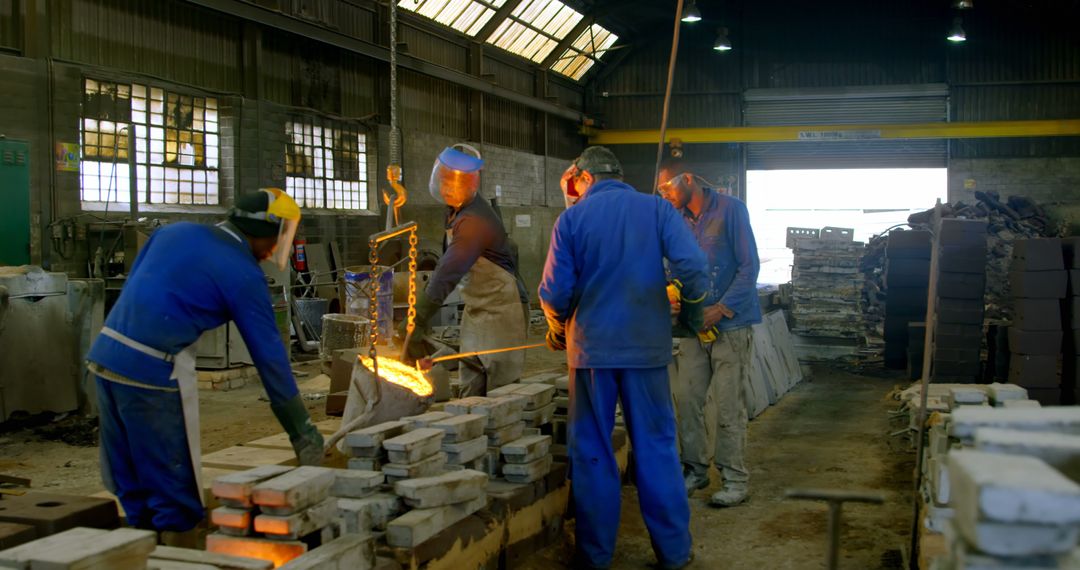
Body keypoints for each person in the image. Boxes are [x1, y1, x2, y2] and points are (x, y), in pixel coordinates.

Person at [86, 188, 324, 545]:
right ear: (263, 232)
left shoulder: (173, 232)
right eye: (277, 239)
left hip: (104, 358)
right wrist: (302, 430)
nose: (275, 249)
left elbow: (138, 286)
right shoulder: (243, 274)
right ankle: (179, 553)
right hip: (154, 370)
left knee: (132, 477)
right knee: (174, 486)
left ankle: (137, 549)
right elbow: (270, 359)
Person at [539, 146, 709, 569]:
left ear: (582, 177)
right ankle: (674, 553)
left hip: (592, 352)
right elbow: (693, 266)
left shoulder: (572, 219)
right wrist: (689, 314)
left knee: (594, 452)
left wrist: (558, 331)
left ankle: (595, 557)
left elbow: (555, 293)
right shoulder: (656, 210)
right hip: (647, 349)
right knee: (656, 448)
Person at [658, 158, 762, 508]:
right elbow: (672, 269)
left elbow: (750, 267)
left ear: (688, 179)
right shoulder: (674, 220)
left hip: (730, 324)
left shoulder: (730, 210)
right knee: (687, 400)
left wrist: (719, 309)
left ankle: (734, 478)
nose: (664, 195)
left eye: (667, 187)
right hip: (691, 328)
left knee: (729, 405)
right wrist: (670, 297)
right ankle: (696, 470)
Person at [402, 144, 529, 396]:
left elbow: (447, 272)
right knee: (471, 384)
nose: (447, 188)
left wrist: (418, 318)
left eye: (454, 182)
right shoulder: (455, 211)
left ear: (470, 183)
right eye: (444, 181)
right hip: (477, 308)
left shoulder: (474, 221)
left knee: (500, 394)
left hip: (504, 310)